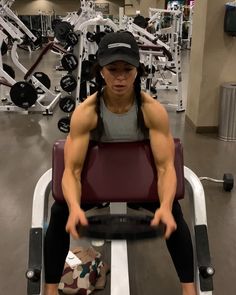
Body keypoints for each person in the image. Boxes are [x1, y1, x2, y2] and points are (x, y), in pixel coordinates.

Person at [44, 30, 196, 295]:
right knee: (59, 214)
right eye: (112, 69)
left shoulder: (151, 111)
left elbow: (165, 167)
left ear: (137, 70)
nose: (120, 76)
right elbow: (72, 170)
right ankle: (48, 289)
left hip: (141, 187)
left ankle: (189, 288)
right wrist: (74, 206)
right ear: (100, 70)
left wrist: (165, 205)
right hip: (97, 186)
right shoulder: (87, 113)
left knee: (174, 214)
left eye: (127, 69)